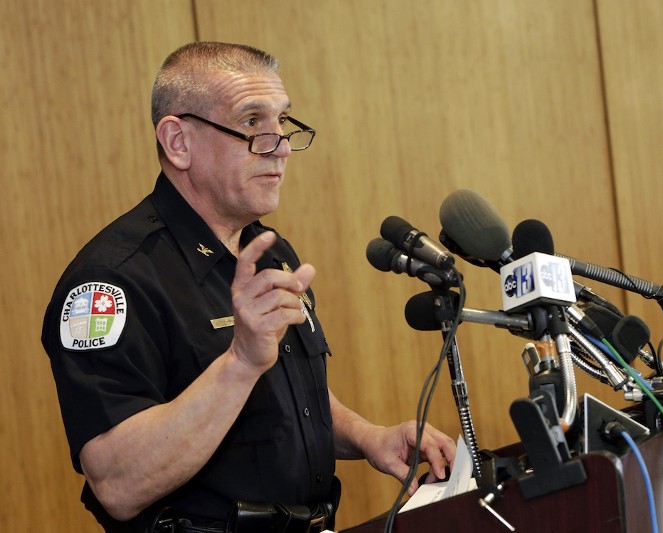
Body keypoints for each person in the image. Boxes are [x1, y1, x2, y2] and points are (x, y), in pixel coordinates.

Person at [41, 41, 456, 532]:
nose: (279, 145)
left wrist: (368, 437)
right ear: (178, 143)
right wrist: (239, 363)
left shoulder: (267, 250)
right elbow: (117, 483)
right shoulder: (108, 284)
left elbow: (291, 399)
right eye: (252, 122)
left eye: (283, 123)